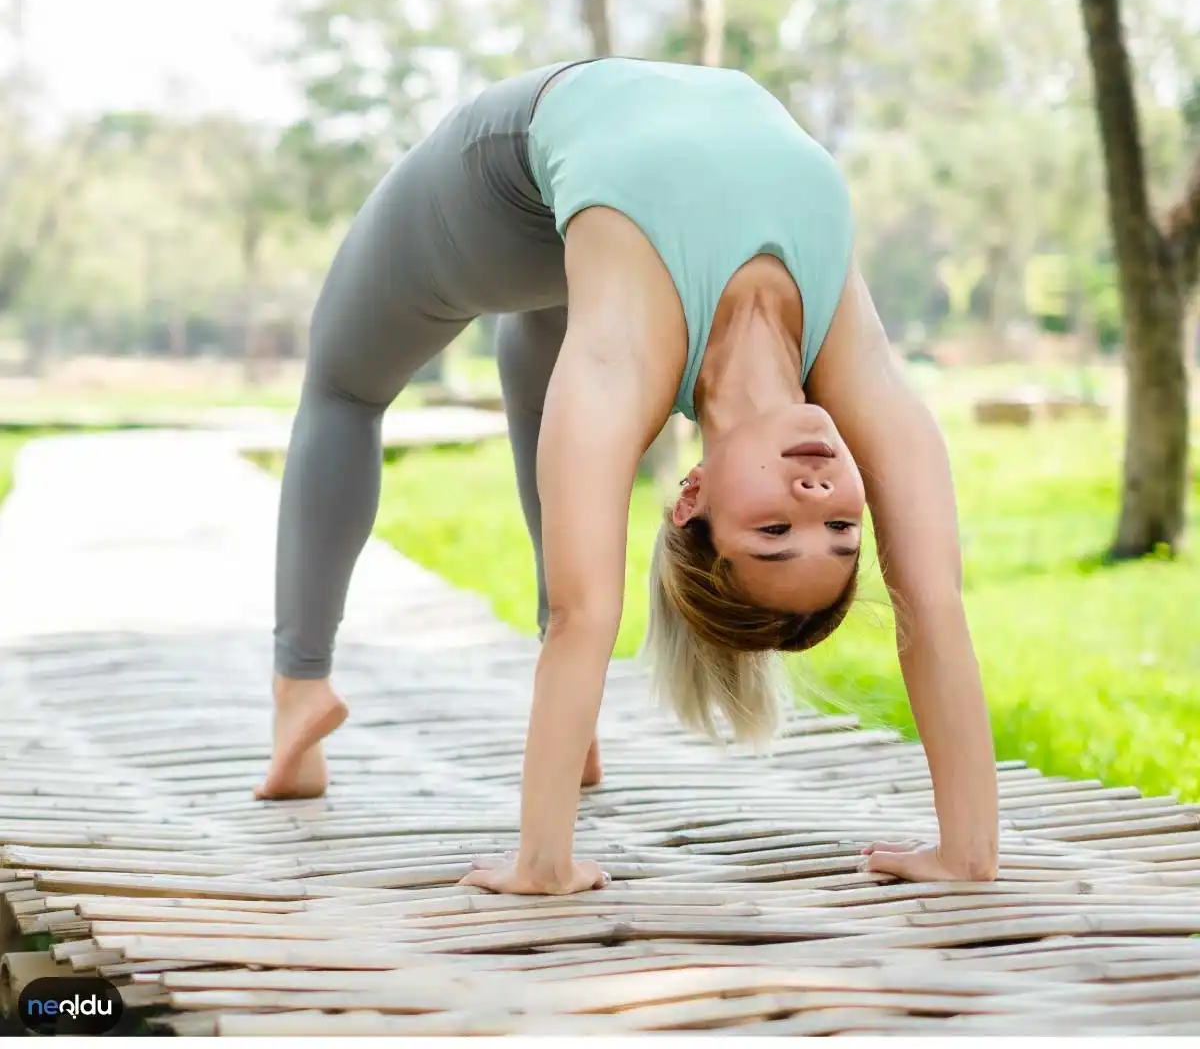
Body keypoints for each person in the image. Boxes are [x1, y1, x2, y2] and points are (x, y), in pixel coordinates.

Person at [257, 57, 999, 894]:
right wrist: (967, 854)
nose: (817, 501)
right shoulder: (852, 361)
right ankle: (571, 735)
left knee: (345, 386)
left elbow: (585, 613)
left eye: (772, 534)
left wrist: (543, 863)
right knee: (549, 359)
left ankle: (300, 687)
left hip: (502, 188)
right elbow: (931, 603)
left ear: (691, 497)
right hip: (580, 222)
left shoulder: (626, 359)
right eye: (839, 533)